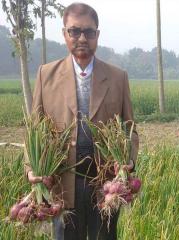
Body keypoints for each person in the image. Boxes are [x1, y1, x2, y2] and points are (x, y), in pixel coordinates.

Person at [25, 3, 139, 240]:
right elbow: (33, 131)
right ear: (65, 34)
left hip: (106, 185)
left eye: (88, 32)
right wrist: (31, 169)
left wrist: (127, 160)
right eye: (74, 31)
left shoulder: (117, 77)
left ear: (97, 34)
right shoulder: (46, 76)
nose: (81, 38)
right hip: (62, 184)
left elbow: (130, 130)